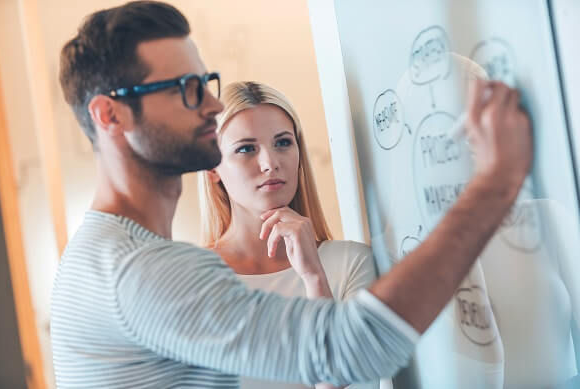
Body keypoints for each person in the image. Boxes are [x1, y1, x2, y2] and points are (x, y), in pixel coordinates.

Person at [50, 1, 533, 388]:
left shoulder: (102, 255)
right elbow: (352, 349)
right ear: (110, 116)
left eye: (207, 83)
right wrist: (495, 182)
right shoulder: (139, 268)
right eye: (186, 88)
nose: (214, 104)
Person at [198, 81, 380, 389]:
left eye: (283, 143)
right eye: (245, 149)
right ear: (212, 168)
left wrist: (314, 279)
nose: (270, 164)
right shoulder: (190, 279)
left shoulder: (351, 264)